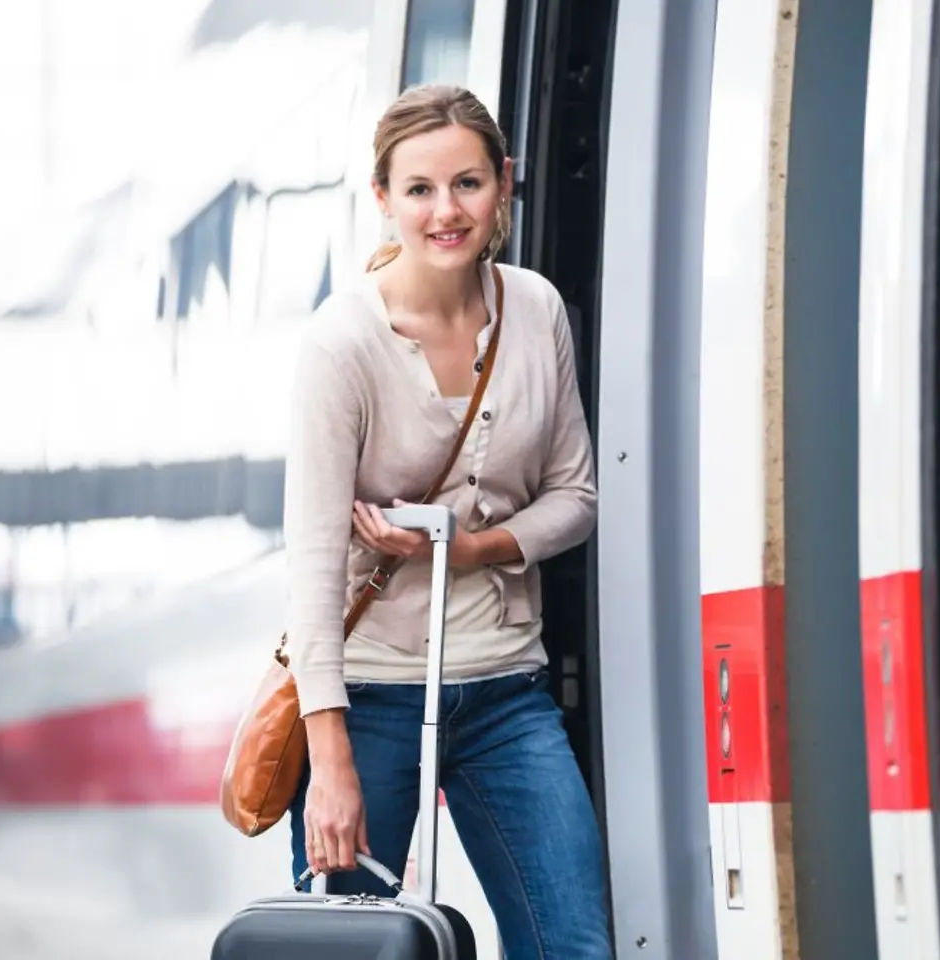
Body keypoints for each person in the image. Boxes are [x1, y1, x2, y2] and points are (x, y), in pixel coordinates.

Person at [281, 83, 611, 958]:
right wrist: (331, 764)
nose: (445, 212)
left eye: (467, 183)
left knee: (572, 946)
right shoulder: (340, 346)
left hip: (508, 691)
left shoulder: (535, 311)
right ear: (382, 196)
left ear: (504, 182)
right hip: (371, 698)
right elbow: (312, 566)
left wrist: (477, 551)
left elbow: (576, 497)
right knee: (355, 949)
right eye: (419, 189)